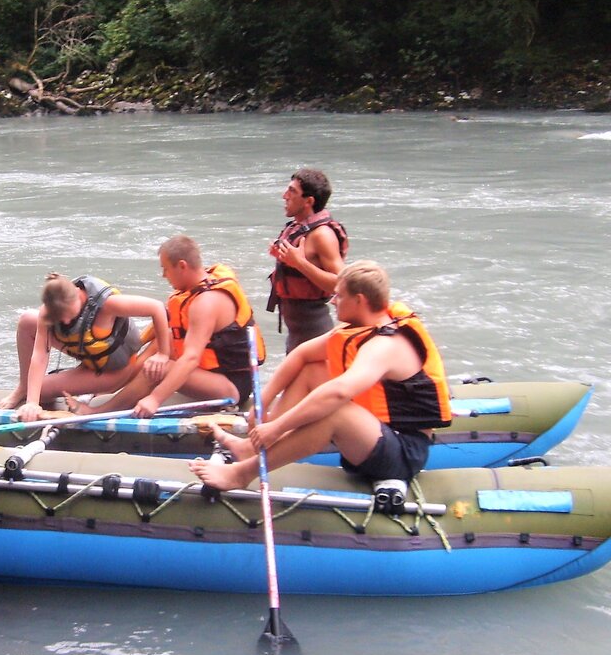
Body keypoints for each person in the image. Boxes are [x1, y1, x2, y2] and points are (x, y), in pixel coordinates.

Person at [191, 260, 451, 509]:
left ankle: (241, 473)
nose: (332, 301)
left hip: (402, 453)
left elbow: (338, 392)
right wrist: (263, 405)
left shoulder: (385, 345)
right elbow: (302, 354)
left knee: (335, 411)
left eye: (339, 295)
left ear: (359, 300)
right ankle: (251, 447)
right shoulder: (363, 326)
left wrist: (277, 427)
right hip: (378, 433)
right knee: (312, 370)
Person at [70, 235, 266, 418]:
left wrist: (155, 399)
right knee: (161, 344)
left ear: (182, 266)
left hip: (231, 386)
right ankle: (105, 389)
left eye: (165, 269)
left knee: (159, 368)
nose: (164, 275)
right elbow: (162, 329)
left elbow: (191, 358)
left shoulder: (205, 303)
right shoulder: (200, 285)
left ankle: (98, 412)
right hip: (214, 372)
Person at [0, 273, 173, 422]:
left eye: (68, 314)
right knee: (27, 320)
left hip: (112, 370)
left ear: (77, 294)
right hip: (88, 354)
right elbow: (40, 355)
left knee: (40, 388)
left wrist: (163, 354)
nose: (65, 322)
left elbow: (156, 308)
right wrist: (31, 402)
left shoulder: (108, 305)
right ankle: (22, 387)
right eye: (60, 317)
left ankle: (93, 389)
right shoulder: (50, 310)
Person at [267, 169, 348, 352]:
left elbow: (342, 283)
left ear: (308, 201)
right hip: (297, 333)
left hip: (314, 331)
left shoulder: (322, 235)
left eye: (292, 191)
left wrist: (300, 264)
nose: (284, 196)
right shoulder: (299, 228)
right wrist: (285, 259)